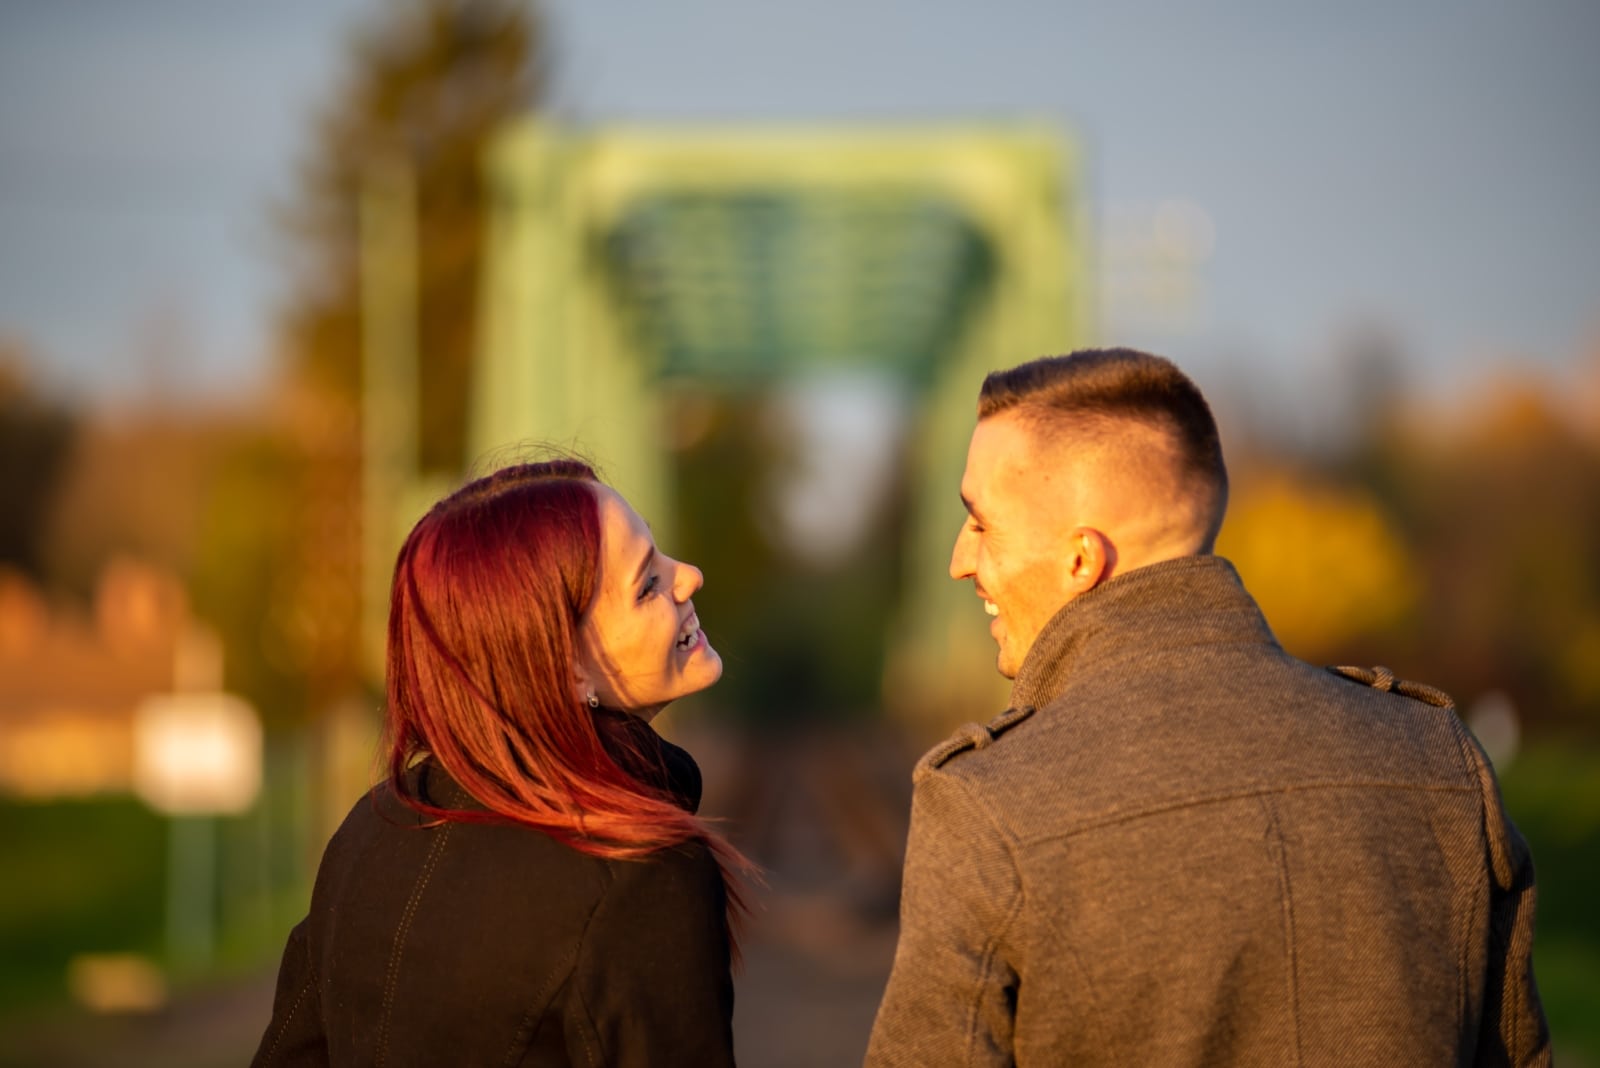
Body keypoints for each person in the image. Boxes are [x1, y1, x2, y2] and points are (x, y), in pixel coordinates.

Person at [866, 349, 1549, 1066]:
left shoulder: (986, 808)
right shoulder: (1438, 763)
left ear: (1080, 560)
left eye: (980, 523)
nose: (958, 559)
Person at [252, 458, 751, 1067]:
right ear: (562, 670)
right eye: (646, 586)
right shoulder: (639, 872)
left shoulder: (368, 833)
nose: (690, 577)